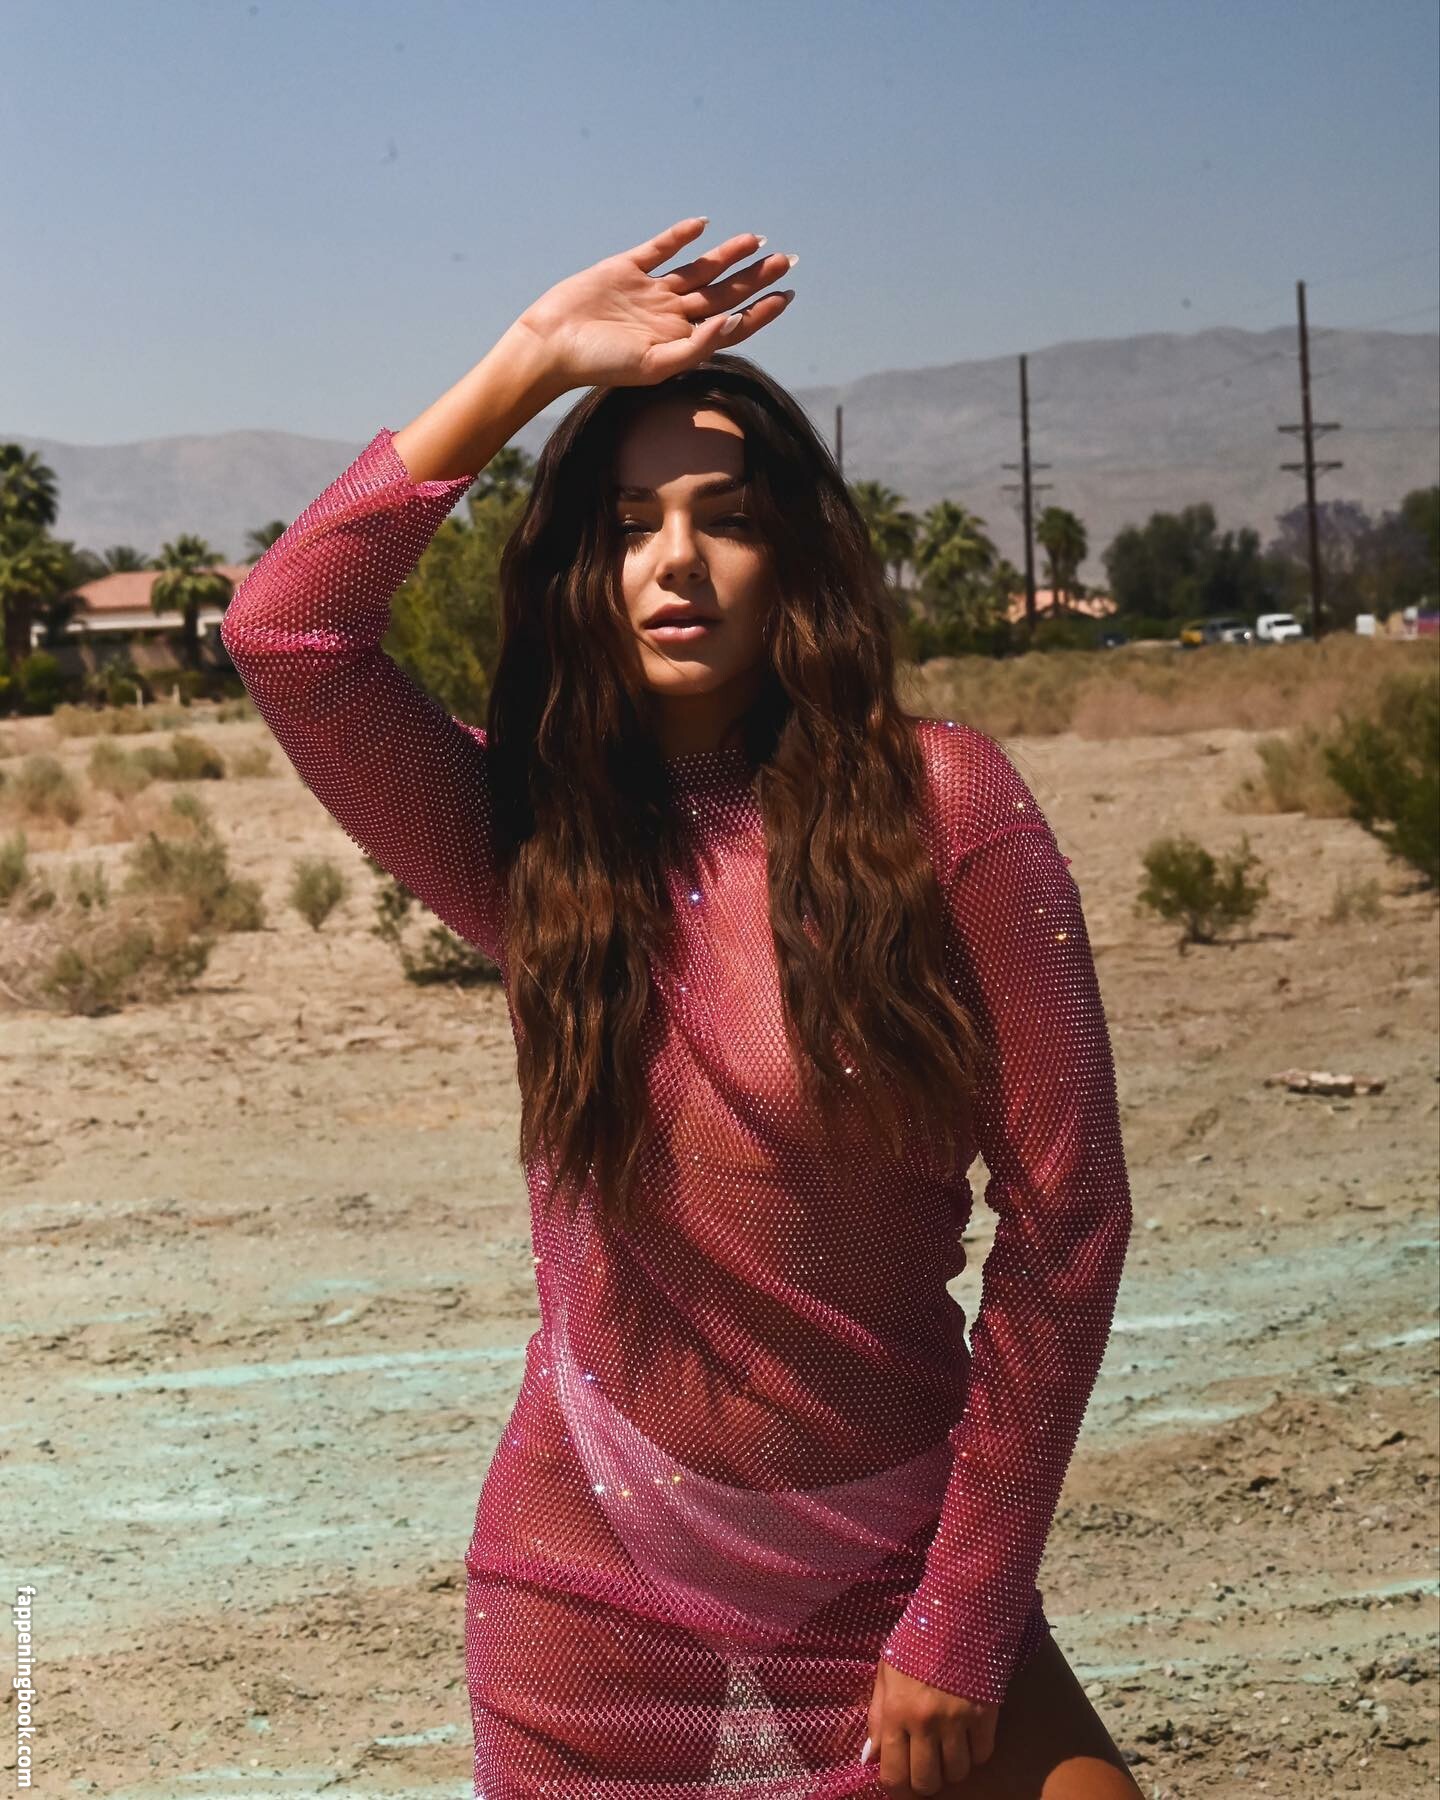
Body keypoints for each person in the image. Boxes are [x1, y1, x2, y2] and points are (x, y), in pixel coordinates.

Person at [221, 216, 1141, 1800]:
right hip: (589, 1605)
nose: (674, 561)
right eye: (630, 523)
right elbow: (289, 637)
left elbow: (1072, 1216)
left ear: (800, 559)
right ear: (581, 570)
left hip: (894, 1580)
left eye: (727, 520)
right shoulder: (535, 847)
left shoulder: (945, 809)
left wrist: (970, 1605)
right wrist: (528, 363)